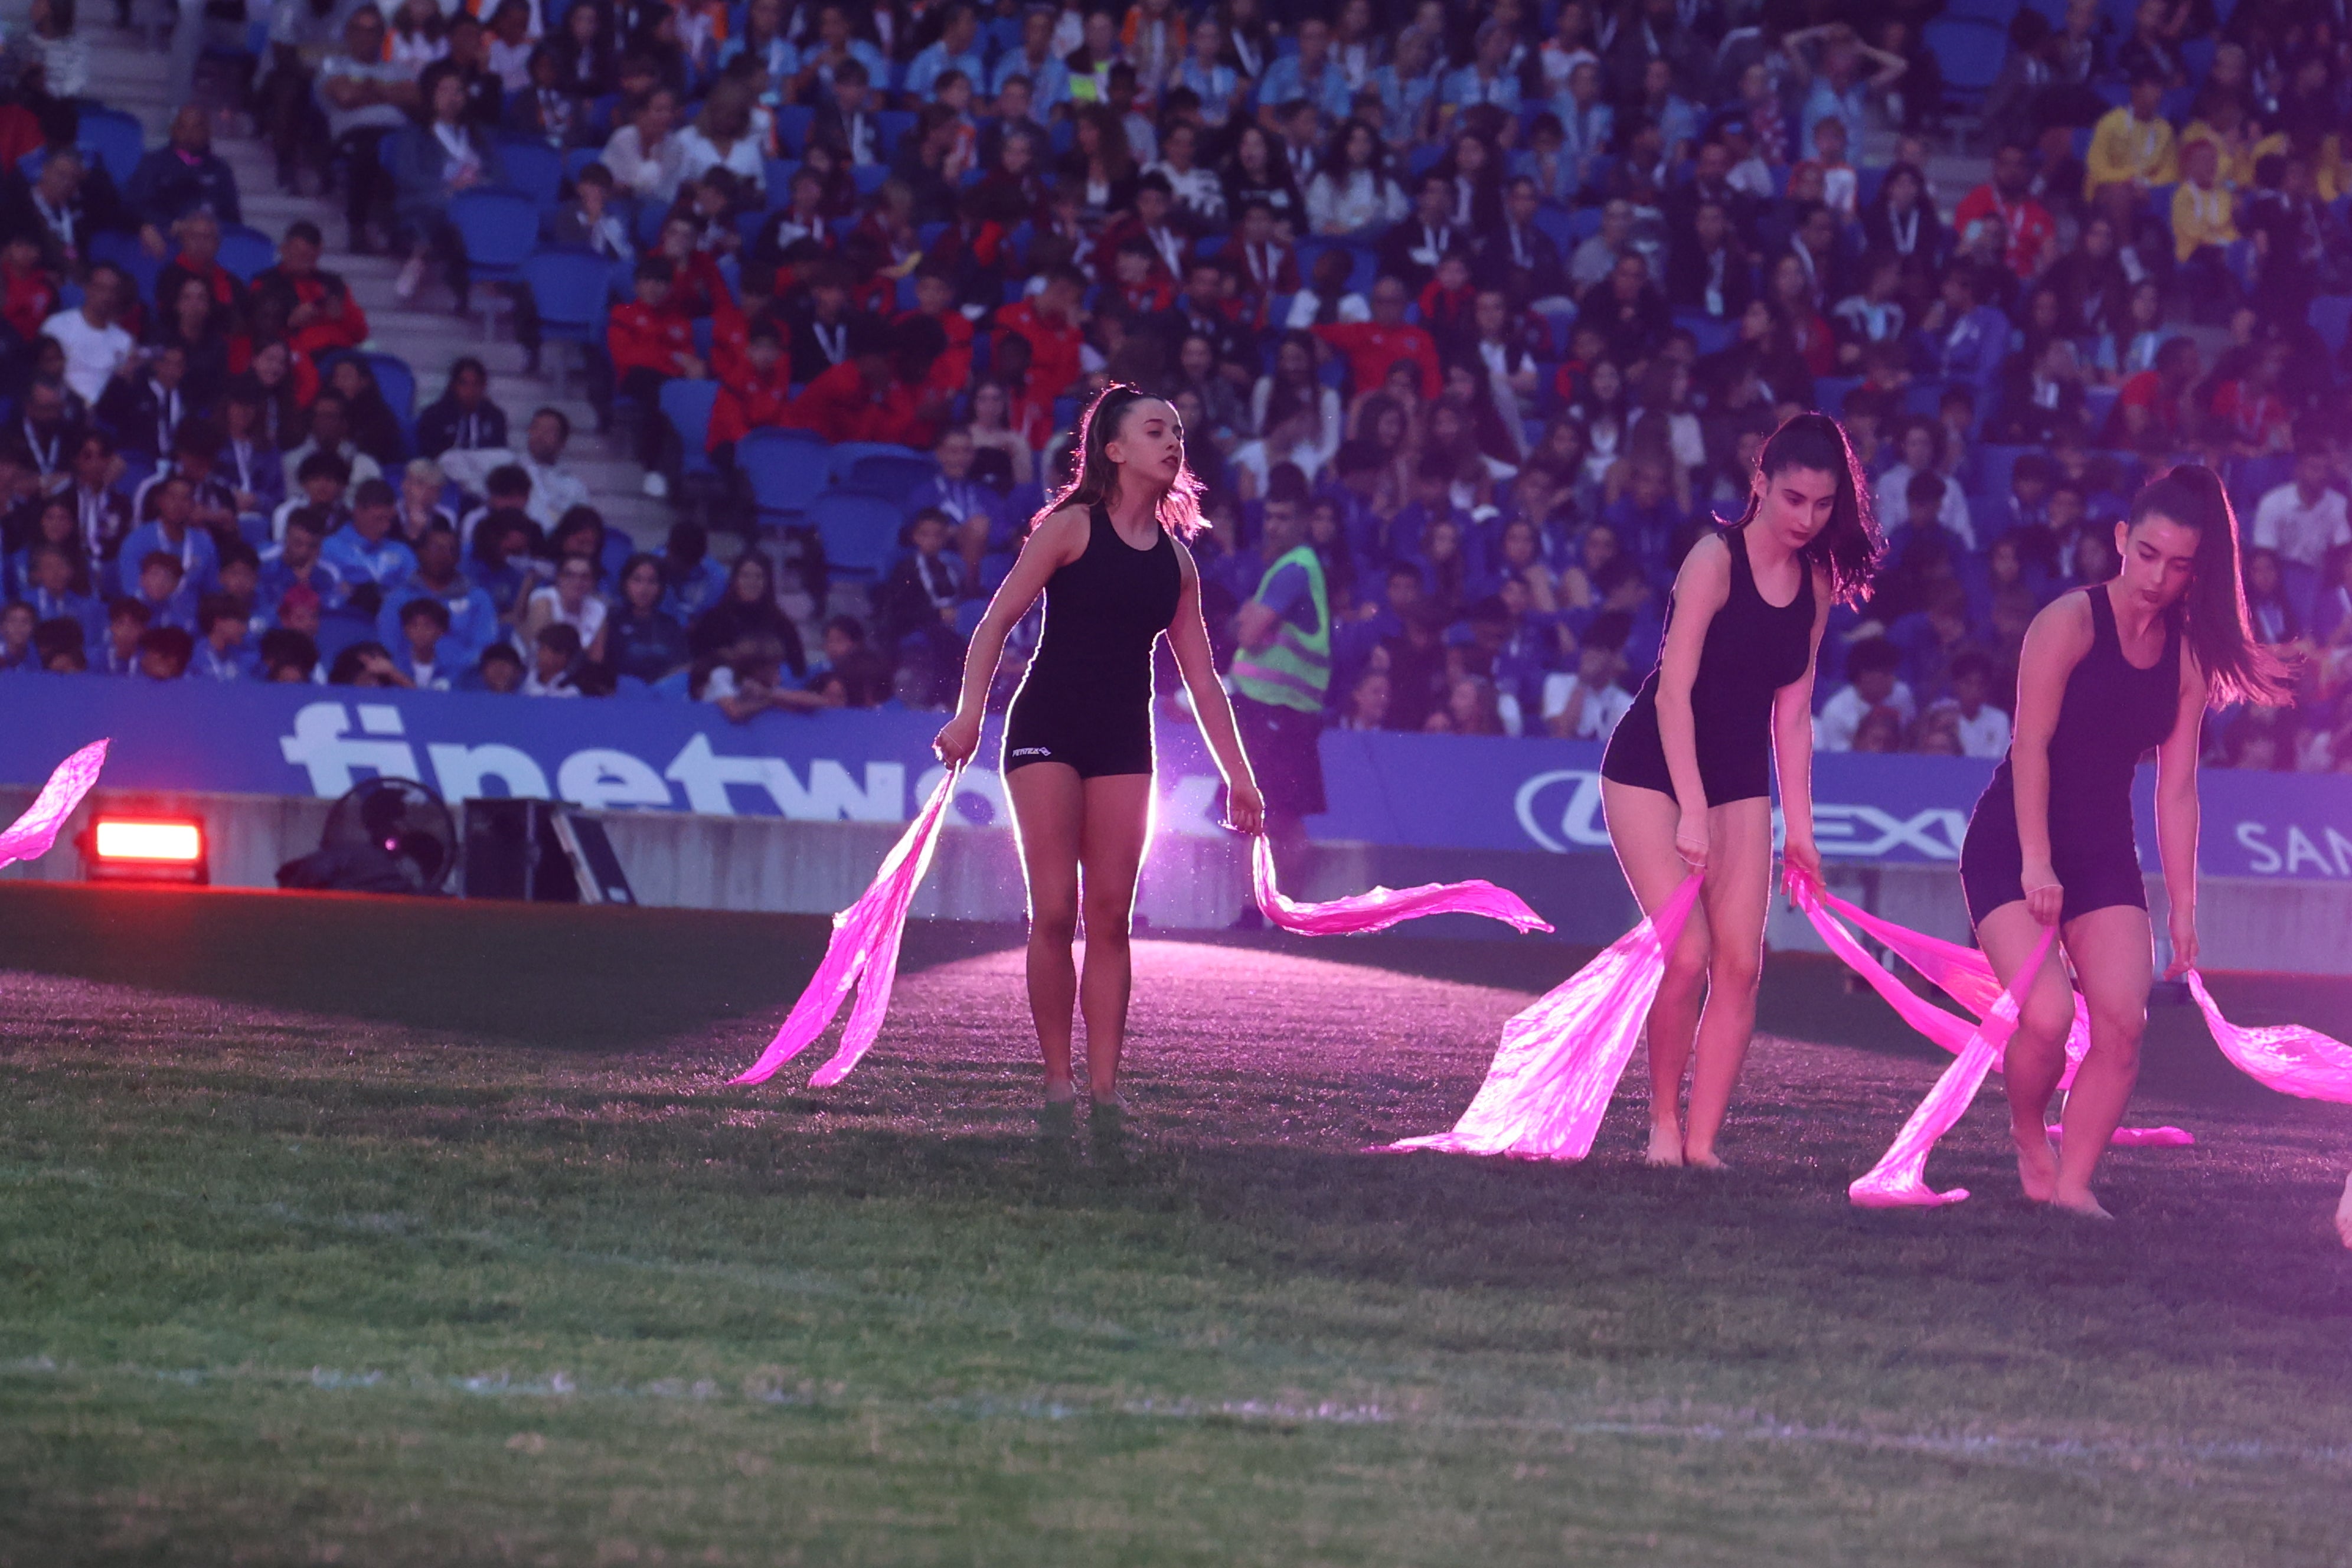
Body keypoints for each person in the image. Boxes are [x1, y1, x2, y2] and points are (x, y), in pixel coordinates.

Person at [1959, 467, 2292, 1217]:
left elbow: (2177, 791)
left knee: (2123, 1021)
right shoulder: (2066, 623)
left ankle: (2074, 1187)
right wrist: (2037, 860)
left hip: (2104, 846)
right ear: (2121, 541)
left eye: (2178, 566)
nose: (2157, 577)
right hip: (2012, 840)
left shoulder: (2188, 657)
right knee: (2045, 1016)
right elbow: (2032, 748)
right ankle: (2025, 1132)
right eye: (2146, 554)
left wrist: (2183, 908)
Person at [931, 385, 1266, 1125]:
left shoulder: (1177, 563)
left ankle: (1107, 1093)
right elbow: (994, 626)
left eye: (1178, 431)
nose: (1173, 442)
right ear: (1113, 450)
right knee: (1054, 911)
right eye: (1156, 431)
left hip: (1124, 739)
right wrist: (967, 717)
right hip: (1046, 724)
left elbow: (1205, 683)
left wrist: (1241, 777)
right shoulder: (1070, 529)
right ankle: (1058, 1083)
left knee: (1111, 917)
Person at [1598, 412, 1883, 1168]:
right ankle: (1662, 1124)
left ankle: (1702, 1143)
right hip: (1650, 768)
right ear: (1761, 484)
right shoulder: (1713, 561)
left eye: (1823, 506)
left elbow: (1794, 718)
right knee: (1687, 956)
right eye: (1794, 500)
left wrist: (1804, 831)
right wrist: (1691, 808)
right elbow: (1672, 694)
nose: (1808, 519)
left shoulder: (1817, 582)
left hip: (1738, 776)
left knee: (1743, 964)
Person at [1230, 482, 1331, 896]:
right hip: (1272, 710)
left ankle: (1278, 914)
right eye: (1269, 517)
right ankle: (1270, 913)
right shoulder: (1289, 568)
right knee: (1269, 814)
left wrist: (1248, 621)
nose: (1273, 526)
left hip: (1280, 711)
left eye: (1284, 517)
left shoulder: (1295, 569)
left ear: (1304, 522)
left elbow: (1248, 632)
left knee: (1279, 817)